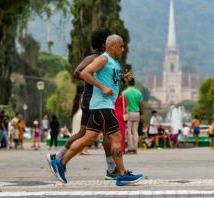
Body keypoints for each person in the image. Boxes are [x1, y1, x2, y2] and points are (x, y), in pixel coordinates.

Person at [49, 34, 143, 186]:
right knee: (116, 138)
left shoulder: (114, 62)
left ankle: (60, 163)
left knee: (88, 138)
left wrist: (123, 79)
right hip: (102, 105)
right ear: (111, 45)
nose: (123, 49)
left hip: (102, 105)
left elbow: (111, 81)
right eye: (121, 46)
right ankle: (121, 174)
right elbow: (84, 73)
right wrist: (102, 87)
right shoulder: (103, 59)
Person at [47, 29, 118, 180]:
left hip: (96, 99)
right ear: (103, 44)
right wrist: (97, 83)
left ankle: (58, 157)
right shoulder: (94, 58)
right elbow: (77, 72)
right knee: (104, 135)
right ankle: (112, 169)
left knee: (86, 135)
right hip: (93, 98)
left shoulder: (106, 59)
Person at [123, 78, 144, 154]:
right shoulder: (138, 93)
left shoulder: (124, 92)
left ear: (128, 83)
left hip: (129, 113)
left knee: (129, 131)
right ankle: (135, 147)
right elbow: (141, 105)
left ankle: (130, 148)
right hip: (137, 113)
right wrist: (142, 114)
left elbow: (123, 104)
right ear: (134, 83)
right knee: (135, 131)